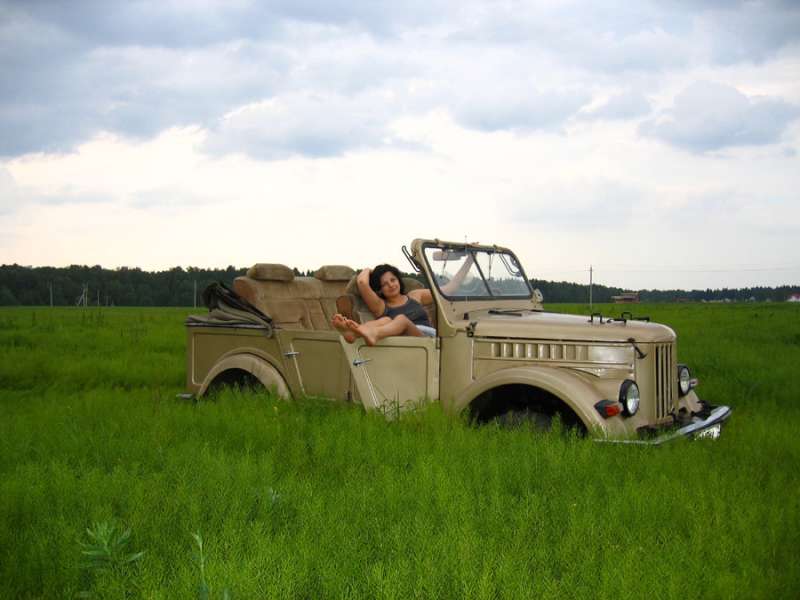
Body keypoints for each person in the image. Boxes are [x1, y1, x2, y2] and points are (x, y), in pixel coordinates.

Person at [332, 255, 474, 346]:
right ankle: (355, 333)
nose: (391, 285)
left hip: (427, 338)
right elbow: (362, 282)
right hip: (402, 342)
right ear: (379, 290)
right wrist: (370, 270)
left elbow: (450, 288)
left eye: (393, 280)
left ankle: (371, 334)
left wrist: (470, 259)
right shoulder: (380, 306)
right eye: (384, 284)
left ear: (398, 280)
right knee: (386, 320)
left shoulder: (415, 295)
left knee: (401, 319)